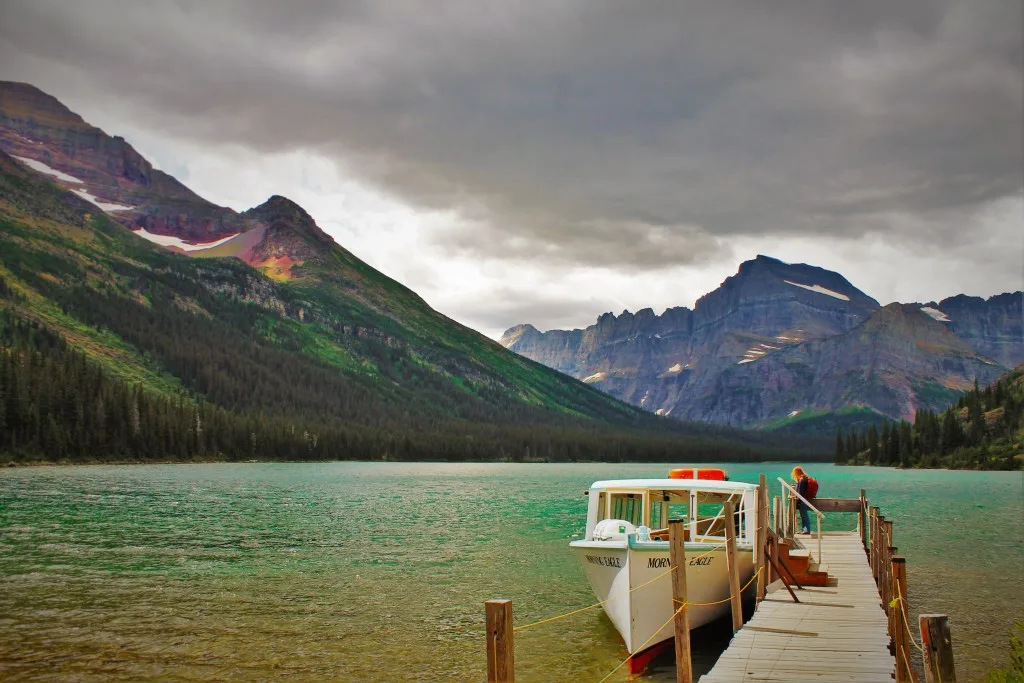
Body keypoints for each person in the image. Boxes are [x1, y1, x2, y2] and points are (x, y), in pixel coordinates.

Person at [792, 466, 812, 534]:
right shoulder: (804, 478)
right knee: (803, 516)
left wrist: (798, 501)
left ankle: (807, 530)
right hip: (804, 499)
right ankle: (804, 529)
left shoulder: (802, 480)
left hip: (802, 500)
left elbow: (800, 492)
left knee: (804, 516)